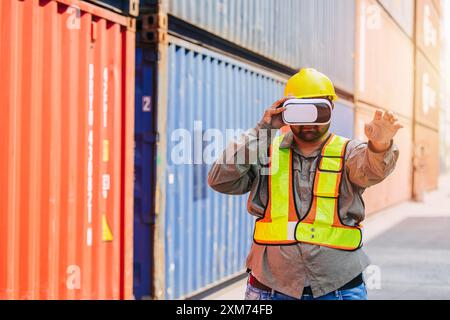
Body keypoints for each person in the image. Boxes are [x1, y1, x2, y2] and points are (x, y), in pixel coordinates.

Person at [208, 68, 402, 300]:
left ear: (331, 109)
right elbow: (220, 179)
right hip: (270, 287)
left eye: (317, 111)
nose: (309, 121)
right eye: (300, 111)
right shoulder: (264, 150)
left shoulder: (349, 152)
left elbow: (372, 170)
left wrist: (380, 145)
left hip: (339, 287)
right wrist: (264, 130)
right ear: (285, 110)